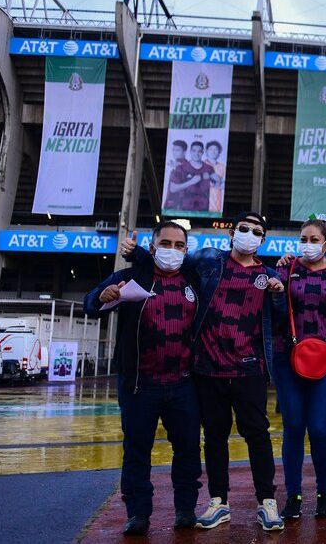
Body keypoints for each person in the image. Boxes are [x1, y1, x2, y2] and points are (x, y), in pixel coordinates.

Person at [122, 212, 287, 531]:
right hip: (208, 370)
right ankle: (218, 502)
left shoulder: (268, 277)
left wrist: (279, 294)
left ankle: (267, 501)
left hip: (249, 369)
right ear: (231, 233)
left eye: (256, 231)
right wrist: (139, 252)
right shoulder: (210, 262)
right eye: (243, 228)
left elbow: (278, 321)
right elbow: (173, 260)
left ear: (262, 240)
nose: (248, 234)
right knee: (214, 437)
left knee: (257, 435)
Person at [85, 222, 202, 536]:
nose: (172, 250)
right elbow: (90, 303)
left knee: (189, 449)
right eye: (166, 243)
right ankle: (138, 513)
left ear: (186, 251)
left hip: (184, 384)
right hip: (140, 385)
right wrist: (102, 295)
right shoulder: (130, 277)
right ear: (152, 248)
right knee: (137, 450)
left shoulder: (195, 279)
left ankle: (186, 509)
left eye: (179, 245)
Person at [272, 217, 326, 520]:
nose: (308, 244)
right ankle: (293, 495)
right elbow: (271, 304)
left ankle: (325, 493)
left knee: (318, 427)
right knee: (293, 426)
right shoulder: (286, 268)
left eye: (315, 239)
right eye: (304, 238)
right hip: (287, 355)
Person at [164, 140, 216, 213]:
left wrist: (217, 180)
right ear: (190, 151)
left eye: (199, 151)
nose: (196, 154)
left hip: (204, 210)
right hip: (185, 209)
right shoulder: (181, 168)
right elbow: (173, 188)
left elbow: (217, 183)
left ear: (203, 152)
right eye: (194, 151)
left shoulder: (209, 168)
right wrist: (190, 182)